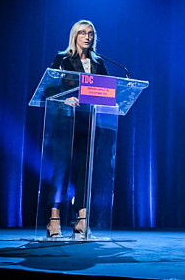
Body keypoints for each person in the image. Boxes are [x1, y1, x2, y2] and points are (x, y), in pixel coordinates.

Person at [45, 20, 109, 239]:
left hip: (88, 125)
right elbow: (49, 89)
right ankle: (54, 219)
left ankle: (82, 220)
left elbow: (108, 91)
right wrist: (65, 98)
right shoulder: (62, 60)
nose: (87, 36)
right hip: (65, 124)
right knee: (61, 171)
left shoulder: (98, 62)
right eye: (82, 33)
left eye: (90, 33)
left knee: (85, 173)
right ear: (74, 36)